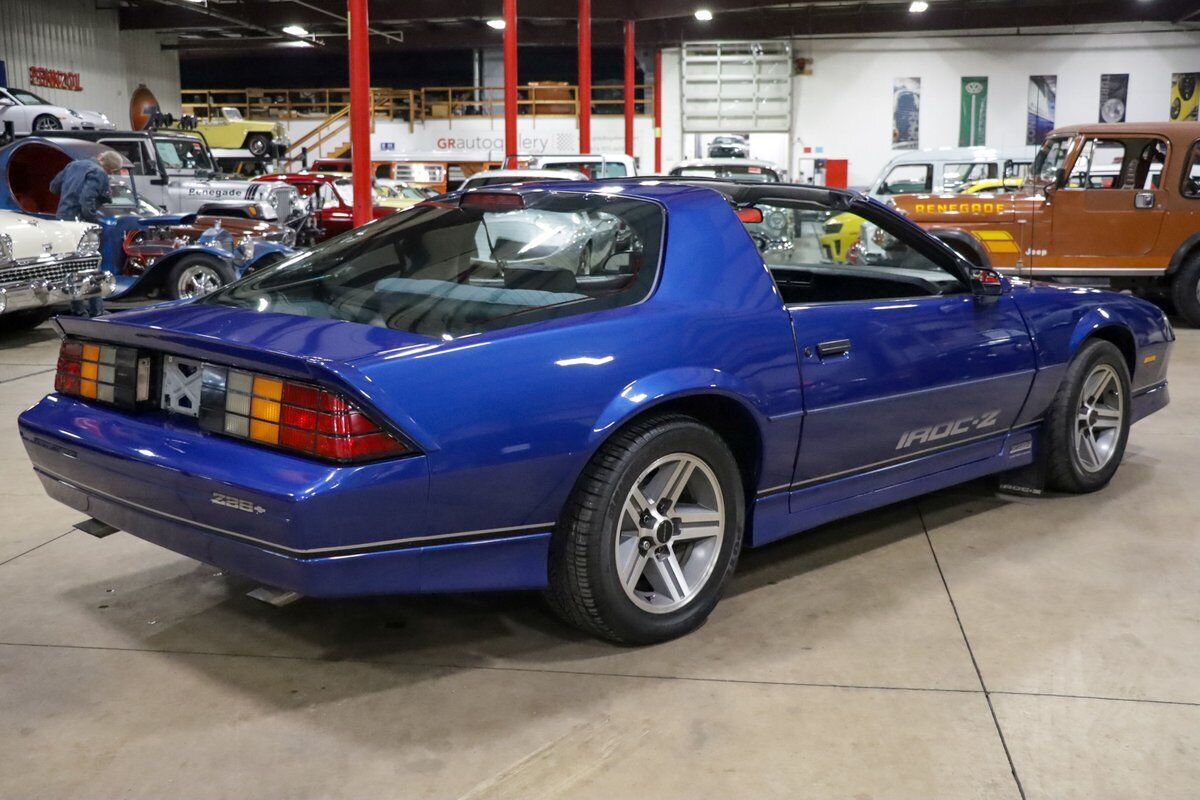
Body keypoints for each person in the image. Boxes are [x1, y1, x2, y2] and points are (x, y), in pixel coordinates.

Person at [48, 151, 123, 316]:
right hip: (80, 223)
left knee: (73, 267)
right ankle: (97, 310)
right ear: (109, 168)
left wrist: (68, 196)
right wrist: (92, 223)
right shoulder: (98, 172)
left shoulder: (73, 165)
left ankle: (78, 310)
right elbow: (86, 201)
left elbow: (53, 187)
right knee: (92, 265)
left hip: (62, 221)